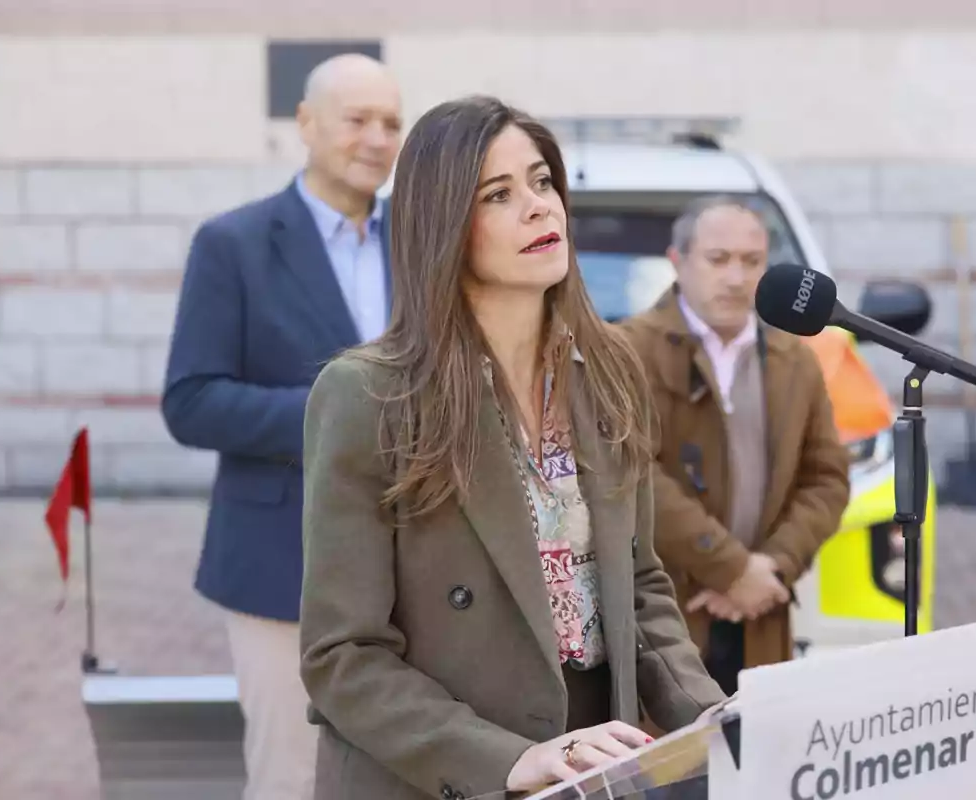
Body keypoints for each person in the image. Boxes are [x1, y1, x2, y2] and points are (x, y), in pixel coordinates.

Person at [298, 95, 727, 800]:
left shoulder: (610, 370)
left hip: (592, 767)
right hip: (444, 772)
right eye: (498, 194)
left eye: (542, 181)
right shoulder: (369, 396)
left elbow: (638, 588)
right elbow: (343, 654)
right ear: (442, 227)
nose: (539, 207)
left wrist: (710, 720)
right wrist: (505, 759)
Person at [161, 54, 402, 799]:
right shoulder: (232, 243)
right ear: (305, 122)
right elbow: (191, 400)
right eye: (356, 119)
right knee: (293, 776)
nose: (377, 138)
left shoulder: (423, 242)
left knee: (403, 766)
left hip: (414, 557)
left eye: (392, 122)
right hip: (278, 563)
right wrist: (340, 410)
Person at [617, 195, 851, 697]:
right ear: (678, 262)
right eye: (718, 259)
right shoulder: (628, 351)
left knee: (755, 758)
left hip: (760, 611)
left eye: (752, 261)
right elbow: (631, 473)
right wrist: (730, 568)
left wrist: (772, 567)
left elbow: (826, 478)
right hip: (666, 614)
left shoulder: (795, 359)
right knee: (672, 766)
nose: (737, 278)